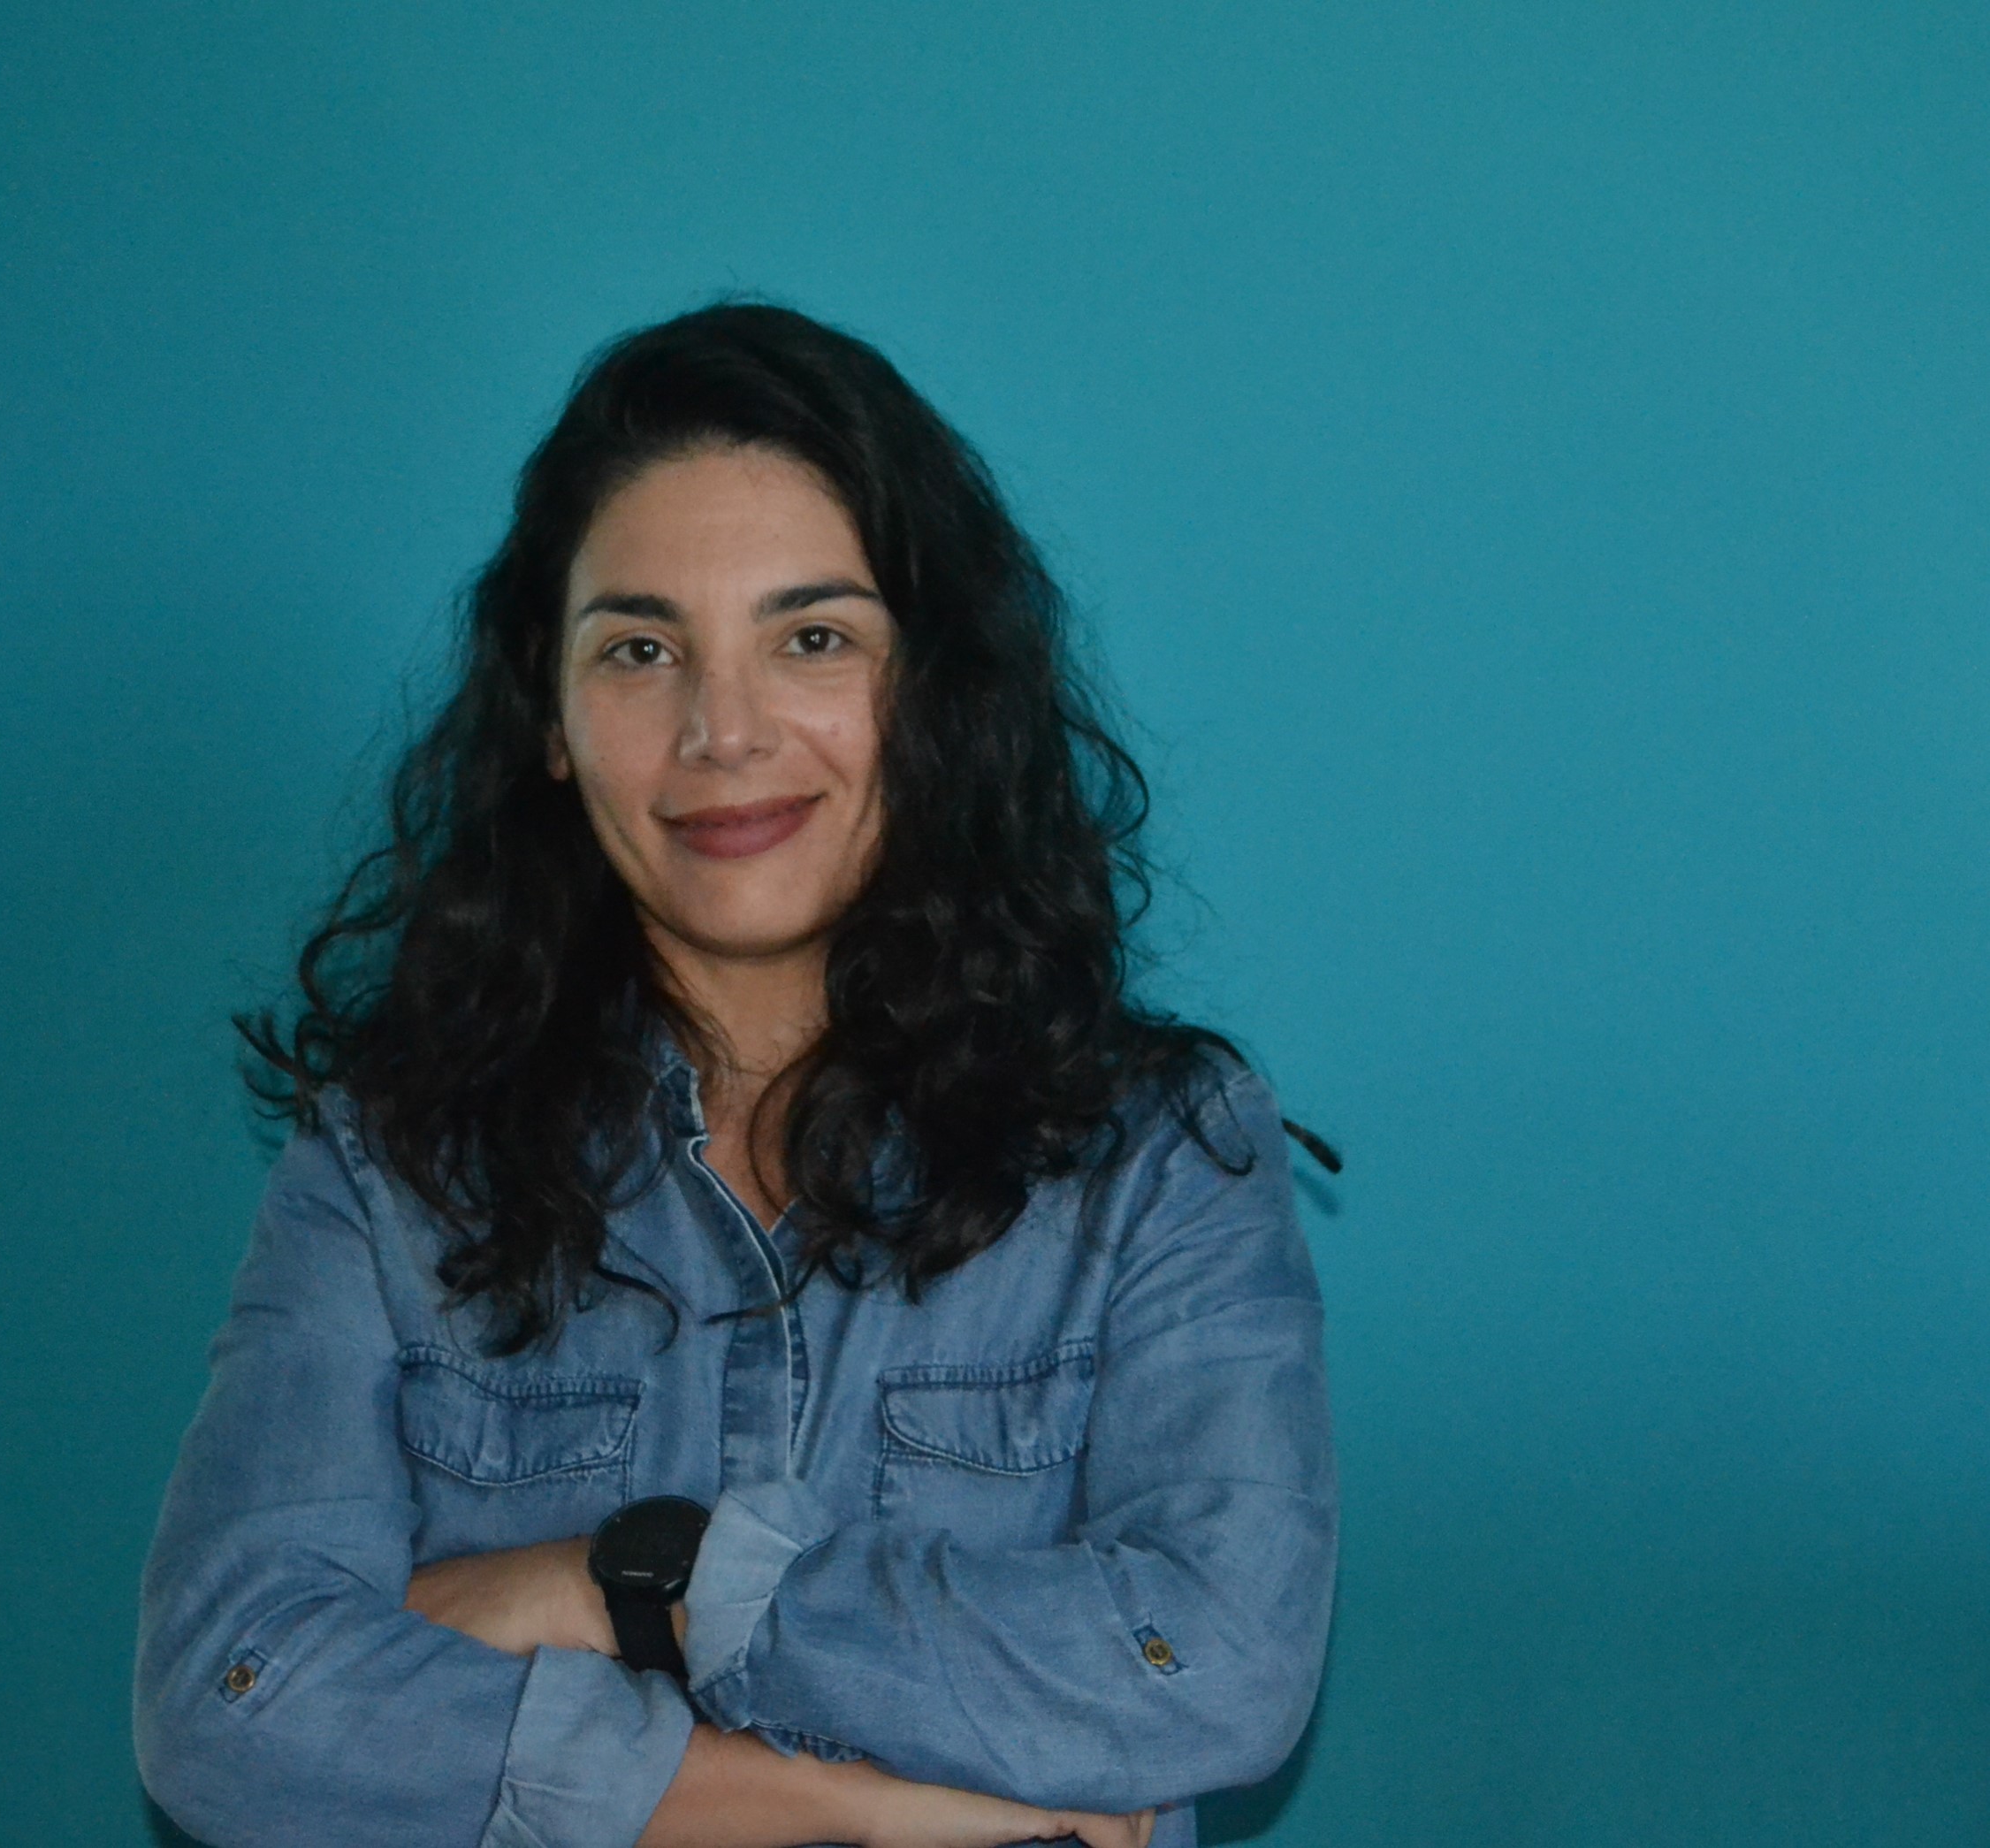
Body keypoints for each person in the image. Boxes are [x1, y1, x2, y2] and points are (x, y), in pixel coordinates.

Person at [133, 302, 1337, 1848]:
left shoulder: (1159, 1158)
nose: (722, 729)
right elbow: (223, 1700)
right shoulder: (389, 1163)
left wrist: (644, 1582)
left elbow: (1220, 1667)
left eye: (812, 637)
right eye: (640, 648)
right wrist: (836, 1804)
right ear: (551, 720)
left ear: (930, 692)